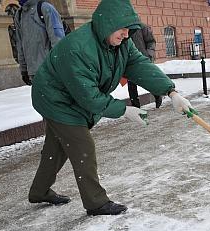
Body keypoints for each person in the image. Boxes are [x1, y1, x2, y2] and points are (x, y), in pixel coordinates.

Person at [28, 0, 194, 216]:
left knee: (55, 149)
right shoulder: (78, 48)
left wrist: (171, 92)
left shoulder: (121, 43)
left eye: (129, 29)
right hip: (56, 99)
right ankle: (96, 203)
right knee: (82, 147)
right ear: (107, 23)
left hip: (72, 97)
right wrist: (123, 110)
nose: (126, 34)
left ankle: (39, 191)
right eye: (122, 28)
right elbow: (89, 96)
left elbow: (139, 66)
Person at [14, 0, 66, 85]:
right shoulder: (19, 14)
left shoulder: (45, 8)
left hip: (50, 71)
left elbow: (58, 41)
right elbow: (20, 45)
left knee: (56, 97)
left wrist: (59, 67)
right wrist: (24, 69)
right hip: (33, 73)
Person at [128, 25, 162, 108]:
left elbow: (151, 41)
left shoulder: (142, 27)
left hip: (143, 59)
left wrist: (148, 55)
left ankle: (157, 96)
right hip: (129, 61)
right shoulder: (123, 28)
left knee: (148, 81)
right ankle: (135, 106)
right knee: (131, 84)